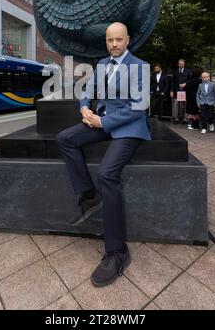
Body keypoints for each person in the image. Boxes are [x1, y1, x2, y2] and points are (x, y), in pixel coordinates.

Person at [56, 22, 151, 287]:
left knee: (107, 173)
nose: (115, 44)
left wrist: (104, 123)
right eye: (110, 40)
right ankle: (88, 195)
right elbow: (86, 90)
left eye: (119, 39)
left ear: (128, 39)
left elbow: (138, 109)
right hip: (102, 121)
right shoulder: (101, 64)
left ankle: (117, 252)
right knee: (65, 139)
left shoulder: (140, 66)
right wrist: (85, 108)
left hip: (129, 127)